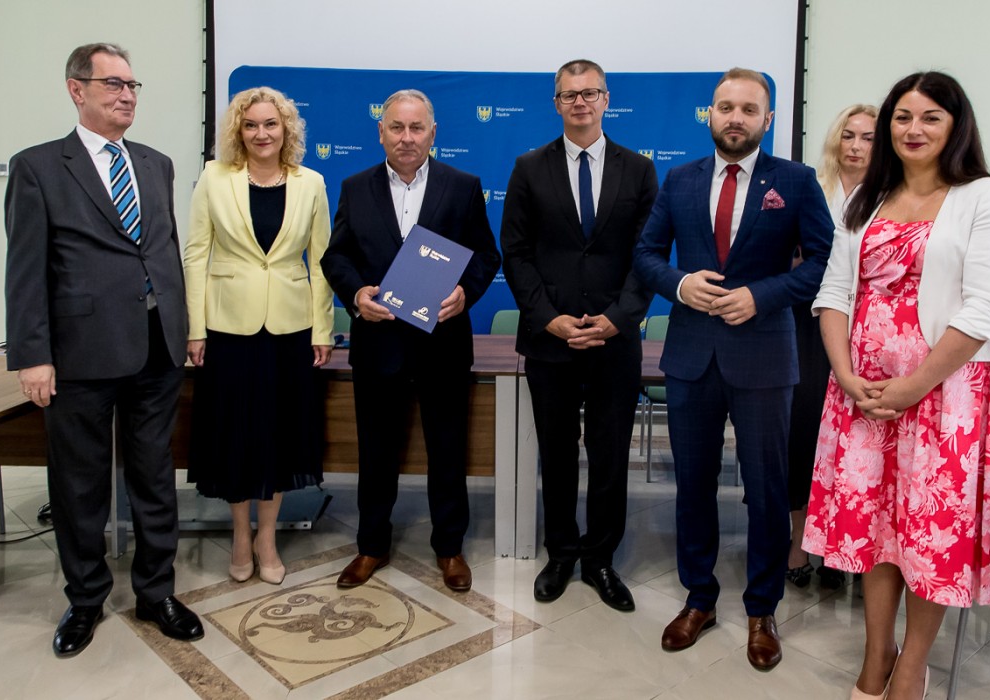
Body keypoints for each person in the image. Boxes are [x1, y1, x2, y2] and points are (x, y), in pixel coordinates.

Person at [802, 72, 990, 700]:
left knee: (929, 534)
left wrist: (912, 386)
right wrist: (846, 376)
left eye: (929, 118)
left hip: (945, 395)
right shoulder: (865, 199)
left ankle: (914, 664)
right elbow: (834, 293)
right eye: (902, 117)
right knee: (875, 528)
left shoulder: (984, 196)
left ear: (956, 125)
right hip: (864, 395)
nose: (913, 129)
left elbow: (984, 309)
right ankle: (878, 653)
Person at [3, 42, 203, 657]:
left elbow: (161, 251)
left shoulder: (156, 163)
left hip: (156, 348)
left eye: (132, 85)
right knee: (80, 485)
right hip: (80, 353)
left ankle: (156, 593)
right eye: (113, 83)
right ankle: (86, 599)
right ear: (77, 89)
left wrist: (184, 326)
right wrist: (32, 354)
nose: (126, 95)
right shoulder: (39, 166)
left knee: (155, 478)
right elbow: (26, 268)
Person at [633, 67, 833, 670]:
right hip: (692, 355)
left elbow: (823, 261)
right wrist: (680, 284)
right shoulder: (680, 179)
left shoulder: (795, 181)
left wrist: (762, 295)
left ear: (767, 119)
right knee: (692, 484)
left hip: (765, 354)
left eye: (749, 109)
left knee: (768, 490)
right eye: (726, 107)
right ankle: (699, 598)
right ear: (710, 114)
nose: (736, 118)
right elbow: (645, 254)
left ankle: (761, 608)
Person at [321, 89, 500, 592]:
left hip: (443, 342)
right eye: (396, 127)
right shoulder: (355, 187)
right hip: (379, 342)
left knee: (448, 449)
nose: (406, 137)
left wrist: (465, 293)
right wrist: (356, 294)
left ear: (432, 133)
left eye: (416, 128)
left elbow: (486, 255)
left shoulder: (462, 186)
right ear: (380, 132)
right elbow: (336, 256)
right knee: (376, 450)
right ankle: (371, 546)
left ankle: (450, 548)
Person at [501, 59, 658, 611]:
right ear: (556, 103)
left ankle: (600, 559)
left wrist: (619, 317)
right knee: (558, 452)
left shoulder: (638, 170)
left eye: (590, 93)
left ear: (606, 99)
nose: (580, 102)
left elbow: (648, 254)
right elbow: (515, 253)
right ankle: (562, 553)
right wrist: (548, 318)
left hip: (615, 340)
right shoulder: (529, 168)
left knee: (610, 454)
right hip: (551, 340)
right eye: (569, 95)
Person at [183, 86, 334, 586]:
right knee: (234, 433)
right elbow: (196, 255)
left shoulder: (311, 183)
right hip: (227, 328)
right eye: (251, 125)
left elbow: (322, 261)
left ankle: (267, 537)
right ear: (238, 131)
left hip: (290, 330)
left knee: (278, 435)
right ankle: (240, 533)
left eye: (271, 124)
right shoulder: (214, 177)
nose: (261, 133)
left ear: (286, 129)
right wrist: (195, 328)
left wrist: (322, 328)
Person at [787, 104, 877, 589]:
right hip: (808, 324)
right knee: (804, 433)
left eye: (868, 137)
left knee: (859, 443)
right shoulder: (811, 188)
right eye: (848, 135)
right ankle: (800, 542)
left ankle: (851, 552)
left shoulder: (892, 196)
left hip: (867, 330)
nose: (856, 145)